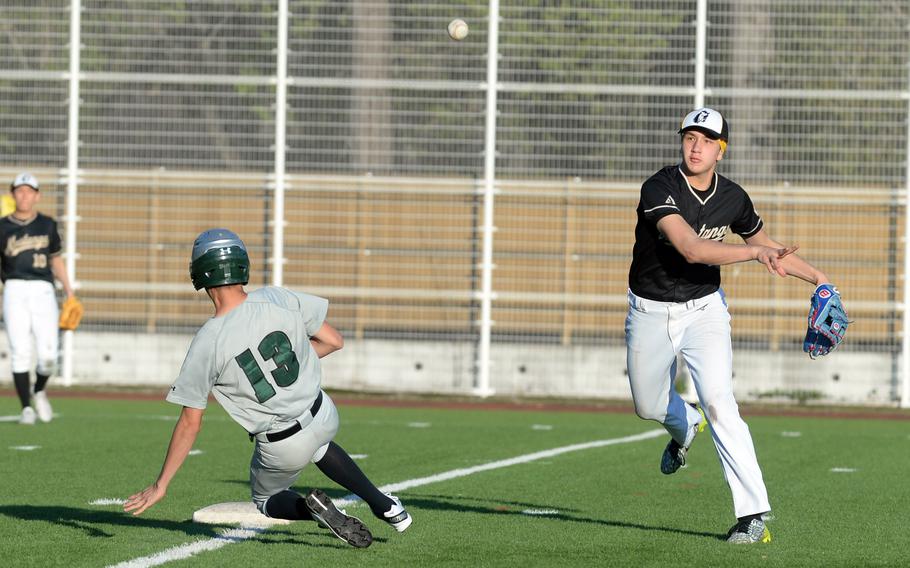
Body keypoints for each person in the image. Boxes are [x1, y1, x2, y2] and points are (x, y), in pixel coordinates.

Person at [625, 108, 838, 544]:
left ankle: (752, 514)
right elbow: (691, 248)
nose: (696, 145)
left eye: (706, 139)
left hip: (705, 310)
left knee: (721, 400)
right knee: (648, 406)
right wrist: (753, 255)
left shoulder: (734, 198)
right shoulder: (659, 187)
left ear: (721, 150)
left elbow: (767, 246)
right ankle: (685, 425)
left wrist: (821, 279)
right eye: (690, 136)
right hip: (650, 310)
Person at [124, 228, 411, 548]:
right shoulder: (276, 297)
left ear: (200, 273)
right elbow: (333, 341)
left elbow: (191, 421)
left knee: (266, 499)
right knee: (318, 445)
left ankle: (311, 510)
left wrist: (161, 483)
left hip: (282, 443)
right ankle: (387, 506)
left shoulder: (207, 341)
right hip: (323, 412)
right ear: (242, 265)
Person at [0, 172, 76, 425]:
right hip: (13, 288)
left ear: (37, 196)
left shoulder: (47, 224)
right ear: (13, 195)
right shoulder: (2, 226)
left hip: (43, 289)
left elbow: (55, 258)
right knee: (20, 351)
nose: (24, 195)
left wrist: (69, 291)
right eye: (19, 190)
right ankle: (26, 409)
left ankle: (39, 390)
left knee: (48, 356)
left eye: (29, 191)